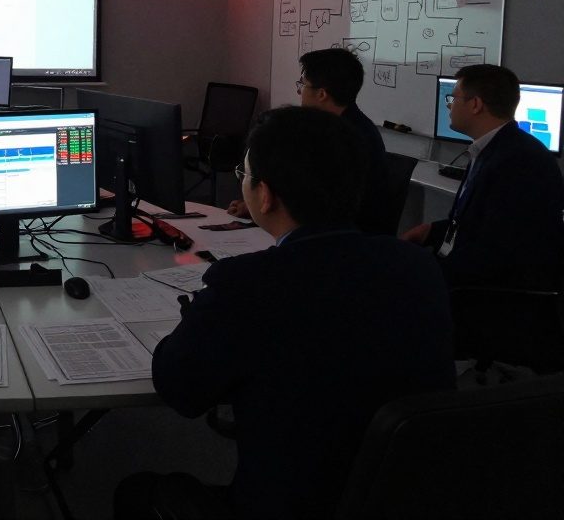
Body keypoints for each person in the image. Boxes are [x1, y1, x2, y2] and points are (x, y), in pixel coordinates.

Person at [117, 106, 454, 520]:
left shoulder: (249, 285)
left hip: (290, 505)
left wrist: (199, 315)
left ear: (266, 194)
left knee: (135, 492)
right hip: (406, 497)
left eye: (244, 175)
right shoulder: (417, 267)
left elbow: (179, 389)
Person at [401, 64, 564, 289]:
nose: (449, 107)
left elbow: (496, 256)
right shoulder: (492, 149)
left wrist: (427, 274)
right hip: (466, 270)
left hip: (489, 297)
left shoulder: (520, 163)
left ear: (475, 104)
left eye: (454, 99)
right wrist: (431, 230)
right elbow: (476, 225)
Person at [228, 47, 393, 234]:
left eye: (303, 85)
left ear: (322, 94)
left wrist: (263, 206)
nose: (300, 93)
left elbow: (314, 202)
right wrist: (259, 202)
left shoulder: (339, 140)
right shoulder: (349, 128)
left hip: (347, 242)